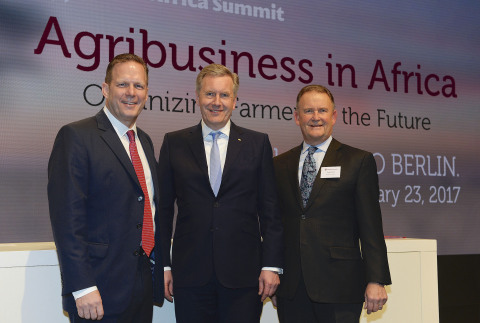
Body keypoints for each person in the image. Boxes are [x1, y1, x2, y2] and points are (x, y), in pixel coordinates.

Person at [157, 63, 284, 322]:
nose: (217, 102)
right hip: (190, 275)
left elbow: (270, 211)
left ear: (235, 101)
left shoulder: (257, 144)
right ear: (197, 97)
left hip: (244, 277)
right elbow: (163, 211)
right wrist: (163, 264)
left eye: (224, 95)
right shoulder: (174, 143)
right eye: (210, 94)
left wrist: (271, 265)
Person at [48, 53, 164, 322]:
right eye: (123, 84)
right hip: (97, 290)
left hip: (141, 285)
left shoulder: (144, 141)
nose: (131, 93)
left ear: (147, 93)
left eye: (139, 86)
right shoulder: (76, 136)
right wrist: (82, 287)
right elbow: (67, 221)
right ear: (105, 89)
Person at [272, 85, 391, 323]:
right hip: (292, 288)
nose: (315, 117)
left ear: (334, 116)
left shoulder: (359, 161)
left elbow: (370, 226)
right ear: (297, 117)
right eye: (308, 111)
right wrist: (273, 272)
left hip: (341, 285)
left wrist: (376, 279)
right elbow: (274, 225)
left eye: (322, 110)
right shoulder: (278, 165)